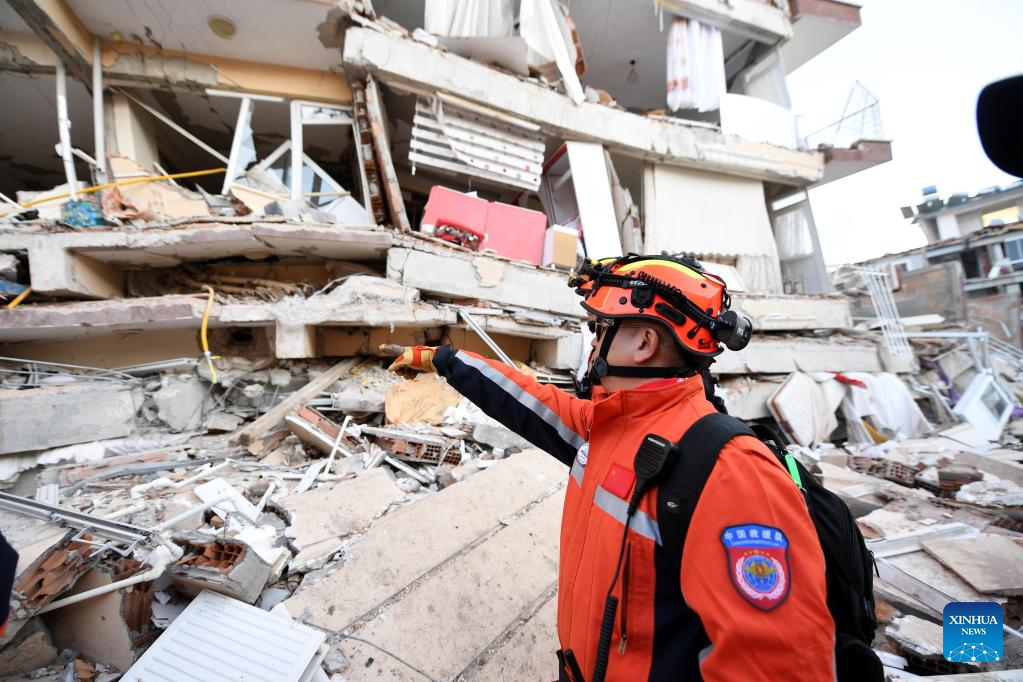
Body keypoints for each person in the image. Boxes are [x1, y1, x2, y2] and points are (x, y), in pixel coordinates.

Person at [387, 255, 835, 681]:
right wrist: (445, 360)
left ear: (644, 343)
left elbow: (782, 664)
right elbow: (531, 401)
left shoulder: (729, 471)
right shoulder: (608, 426)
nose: (593, 343)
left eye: (601, 329)